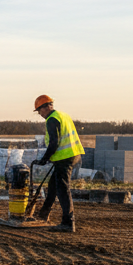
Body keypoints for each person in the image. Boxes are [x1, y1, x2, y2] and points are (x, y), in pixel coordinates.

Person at [33, 94, 85, 233]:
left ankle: (68, 222)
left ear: (45, 107)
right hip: (73, 154)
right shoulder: (64, 115)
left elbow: (54, 142)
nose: (40, 114)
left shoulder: (51, 119)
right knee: (53, 185)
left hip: (65, 157)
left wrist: (45, 158)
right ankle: (43, 214)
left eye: (39, 110)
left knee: (62, 188)